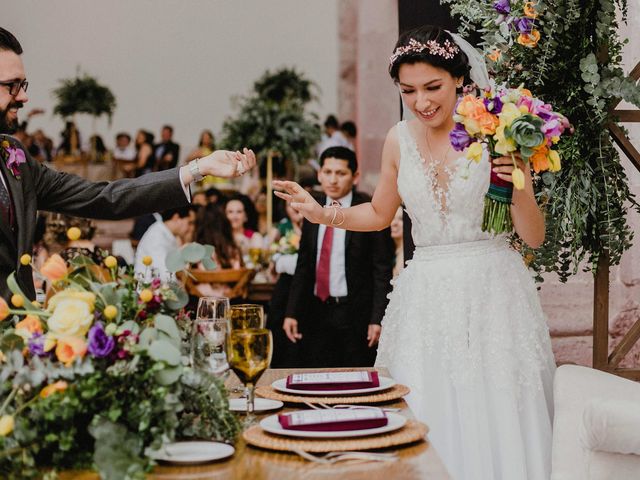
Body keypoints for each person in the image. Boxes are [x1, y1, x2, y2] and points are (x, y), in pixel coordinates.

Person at [274, 26, 556, 480]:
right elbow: (381, 213)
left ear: (459, 80)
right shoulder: (398, 139)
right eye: (409, 91)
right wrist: (322, 213)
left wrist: (517, 175)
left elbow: (535, 237)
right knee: (428, 403)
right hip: (426, 296)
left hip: (492, 292)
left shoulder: (495, 131)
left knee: (495, 406)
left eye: (433, 87)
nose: (422, 101)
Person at [0, 27, 256, 300]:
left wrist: (198, 168)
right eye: (12, 85)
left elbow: (105, 196)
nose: (23, 96)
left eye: (23, 85)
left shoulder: (15, 158)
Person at [282, 146, 394, 368]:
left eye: (340, 173)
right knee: (317, 377)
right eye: (327, 172)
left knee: (357, 379)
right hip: (317, 311)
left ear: (355, 176)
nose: (333, 180)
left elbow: (381, 269)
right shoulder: (313, 207)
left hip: (356, 314)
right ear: (319, 174)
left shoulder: (370, 209)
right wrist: (292, 312)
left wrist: (378, 318)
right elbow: (304, 264)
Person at [133, 205, 197, 281]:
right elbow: (164, 274)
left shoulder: (165, 233)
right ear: (176, 218)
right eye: (189, 223)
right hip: (149, 290)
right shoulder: (156, 236)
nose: (191, 228)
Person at [224, 194, 263, 258]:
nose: (234, 216)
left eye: (239, 212)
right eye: (230, 212)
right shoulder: (220, 238)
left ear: (245, 216)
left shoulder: (255, 237)